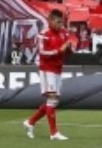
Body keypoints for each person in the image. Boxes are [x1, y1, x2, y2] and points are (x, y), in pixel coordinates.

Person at [23, 9, 75, 141]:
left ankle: (30, 122)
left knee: (54, 100)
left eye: (62, 22)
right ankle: (54, 133)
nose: (60, 25)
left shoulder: (64, 32)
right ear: (50, 20)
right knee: (52, 98)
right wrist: (60, 50)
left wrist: (69, 48)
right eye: (58, 22)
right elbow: (42, 52)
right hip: (47, 69)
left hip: (58, 69)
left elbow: (68, 51)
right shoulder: (43, 34)